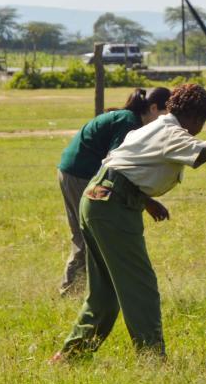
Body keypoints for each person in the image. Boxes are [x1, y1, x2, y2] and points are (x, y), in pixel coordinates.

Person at [50, 83, 206, 362]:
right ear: (196, 118)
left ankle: (70, 356)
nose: (201, 127)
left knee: (105, 293)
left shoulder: (156, 127)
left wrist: (146, 200)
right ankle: (151, 359)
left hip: (99, 197)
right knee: (140, 286)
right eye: (203, 121)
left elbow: (124, 164)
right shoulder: (171, 132)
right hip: (113, 206)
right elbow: (205, 154)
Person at [56, 87, 171, 295]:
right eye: (166, 115)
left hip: (75, 171)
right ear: (154, 108)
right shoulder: (130, 124)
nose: (167, 123)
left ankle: (90, 291)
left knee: (90, 236)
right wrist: (148, 202)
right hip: (80, 174)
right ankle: (70, 292)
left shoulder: (130, 120)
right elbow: (117, 167)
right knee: (87, 236)